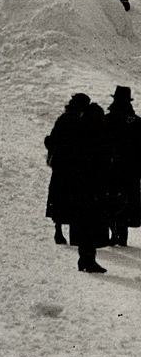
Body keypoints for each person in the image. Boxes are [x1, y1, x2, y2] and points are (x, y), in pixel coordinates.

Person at [68, 102, 112, 273]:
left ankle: (85, 259)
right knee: (91, 225)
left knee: (83, 225)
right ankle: (88, 260)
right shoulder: (97, 137)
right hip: (93, 188)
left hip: (79, 188)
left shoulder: (80, 134)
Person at [45, 92, 91, 247]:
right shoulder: (83, 122)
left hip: (61, 167)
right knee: (74, 200)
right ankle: (73, 233)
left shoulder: (63, 119)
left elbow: (52, 140)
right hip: (76, 168)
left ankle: (58, 231)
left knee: (58, 197)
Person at [106, 86, 141, 247]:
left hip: (112, 167)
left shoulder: (108, 119)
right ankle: (123, 235)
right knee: (128, 201)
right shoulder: (136, 121)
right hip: (132, 169)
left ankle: (114, 232)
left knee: (112, 199)